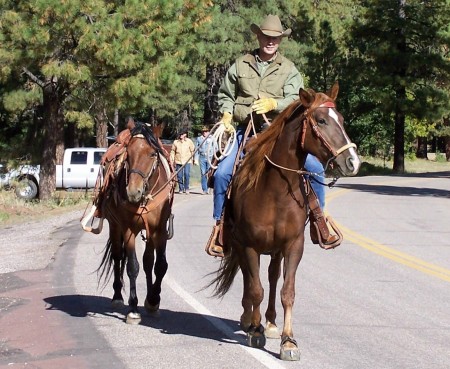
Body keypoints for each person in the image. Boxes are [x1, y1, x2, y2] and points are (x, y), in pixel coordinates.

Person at [207, 14, 335, 257]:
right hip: (246, 129)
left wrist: (273, 103)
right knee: (223, 173)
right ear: (258, 36)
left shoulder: (288, 69)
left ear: (280, 40)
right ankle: (220, 227)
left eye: (275, 38)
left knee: (315, 169)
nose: (271, 41)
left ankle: (320, 222)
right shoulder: (241, 65)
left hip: (279, 132)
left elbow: (298, 100)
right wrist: (226, 114)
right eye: (267, 36)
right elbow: (226, 94)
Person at [194, 126, 215, 194]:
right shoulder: (199, 139)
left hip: (210, 157)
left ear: (209, 132)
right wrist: (196, 159)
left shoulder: (212, 138)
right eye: (203, 131)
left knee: (210, 173)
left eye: (206, 131)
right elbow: (196, 149)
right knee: (203, 173)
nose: (205, 133)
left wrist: (215, 158)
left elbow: (216, 147)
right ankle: (204, 189)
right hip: (202, 157)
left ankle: (210, 187)